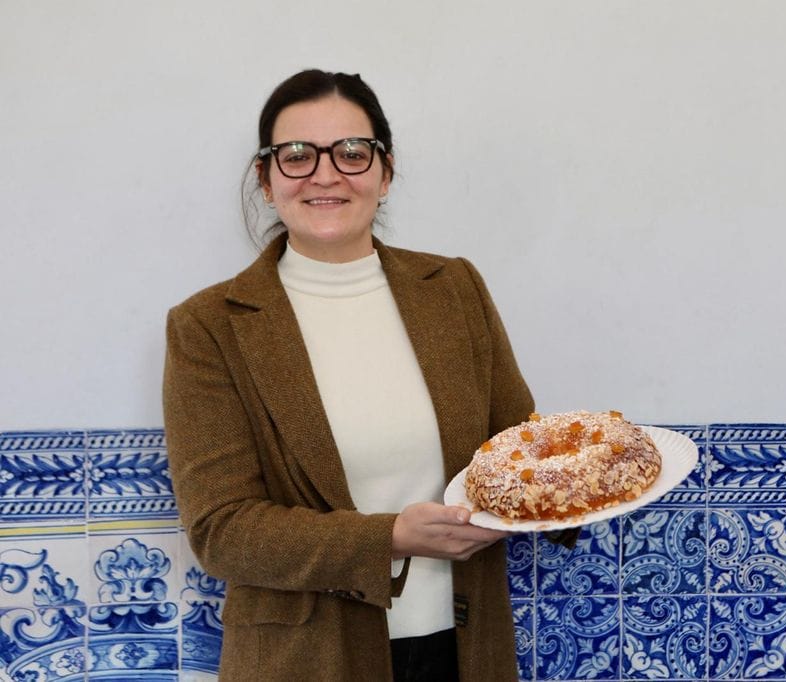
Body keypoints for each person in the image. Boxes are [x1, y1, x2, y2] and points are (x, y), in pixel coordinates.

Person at [163, 69, 534, 681]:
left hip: (465, 649)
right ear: (266, 178)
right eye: (298, 155)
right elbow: (222, 529)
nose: (326, 173)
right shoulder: (209, 326)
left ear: (385, 174)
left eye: (352, 153)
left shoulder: (455, 289)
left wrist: (587, 475)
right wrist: (389, 537)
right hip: (306, 661)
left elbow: (516, 448)